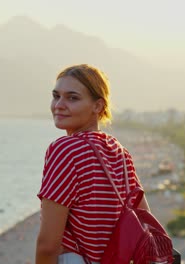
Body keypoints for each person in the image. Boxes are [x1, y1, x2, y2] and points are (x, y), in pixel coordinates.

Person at [35, 64, 150, 264]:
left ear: (98, 106)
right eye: (56, 96)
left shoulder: (65, 150)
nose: (59, 105)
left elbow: (48, 245)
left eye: (72, 98)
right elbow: (144, 218)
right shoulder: (120, 152)